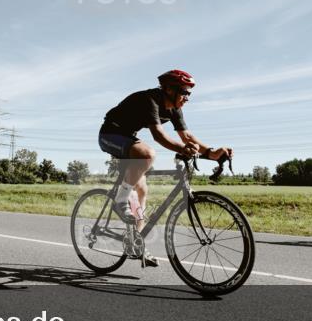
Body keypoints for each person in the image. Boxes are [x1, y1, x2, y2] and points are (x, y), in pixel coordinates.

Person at [98, 70, 234, 259]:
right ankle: (120, 202)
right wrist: (183, 149)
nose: (187, 97)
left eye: (189, 93)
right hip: (109, 135)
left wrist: (211, 153)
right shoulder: (151, 100)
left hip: (128, 137)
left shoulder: (175, 109)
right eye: (184, 92)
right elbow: (159, 136)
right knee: (147, 154)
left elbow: (186, 137)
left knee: (141, 190)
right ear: (169, 89)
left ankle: (135, 243)